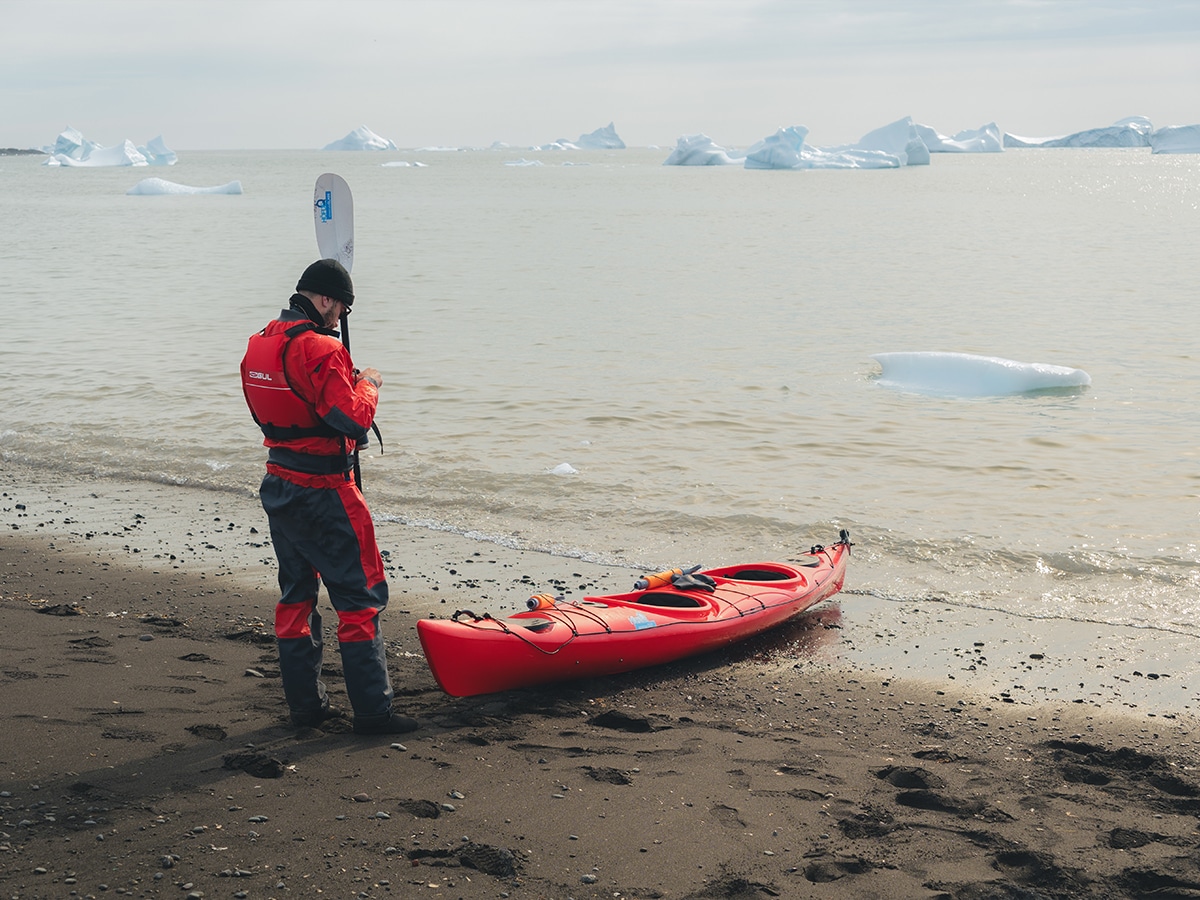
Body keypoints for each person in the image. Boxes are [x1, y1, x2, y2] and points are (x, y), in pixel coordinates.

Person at [240, 258, 416, 735]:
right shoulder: (322, 349)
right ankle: (374, 715)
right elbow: (355, 420)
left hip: (279, 484)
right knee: (360, 599)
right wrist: (369, 382)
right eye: (340, 308)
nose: (339, 318)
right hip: (326, 490)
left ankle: (306, 709)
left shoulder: (260, 343)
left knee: (296, 596)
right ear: (323, 300)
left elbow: (275, 411)